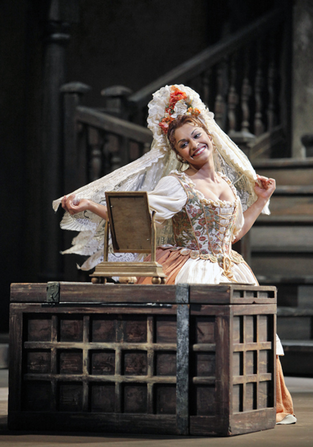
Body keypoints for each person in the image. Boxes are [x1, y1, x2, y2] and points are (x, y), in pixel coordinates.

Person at [56, 84, 296, 425]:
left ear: (209, 136)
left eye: (196, 137)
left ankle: (250, 403)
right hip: (192, 267)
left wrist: (259, 200)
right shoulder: (177, 183)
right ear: (179, 153)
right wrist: (93, 206)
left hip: (230, 267)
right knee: (199, 338)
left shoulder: (227, 183)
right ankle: (201, 404)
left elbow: (235, 233)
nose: (193, 146)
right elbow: (136, 217)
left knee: (252, 334)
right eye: (184, 144)